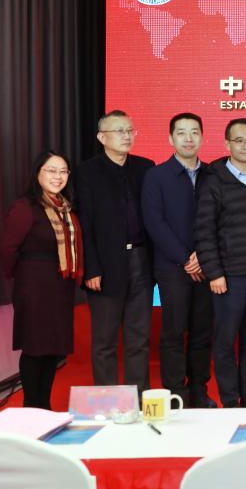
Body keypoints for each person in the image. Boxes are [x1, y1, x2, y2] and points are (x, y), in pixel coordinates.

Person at [195, 118, 246, 408]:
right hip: (229, 277)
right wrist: (214, 272)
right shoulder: (213, 181)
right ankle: (230, 400)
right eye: (239, 140)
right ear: (227, 143)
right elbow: (204, 231)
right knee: (225, 341)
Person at [76, 110, 154, 392]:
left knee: (138, 338)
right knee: (105, 341)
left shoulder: (146, 168)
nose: (126, 136)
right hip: (105, 265)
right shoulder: (87, 172)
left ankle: (139, 400)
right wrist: (91, 268)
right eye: (119, 131)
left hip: (141, 260)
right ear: (101, 138)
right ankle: (107, 401)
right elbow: (84, 224)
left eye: (130, 130)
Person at [141, 113, 216, 408]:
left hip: (207, 266)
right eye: (182, 133)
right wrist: (186, 258)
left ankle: (199, 391)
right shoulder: (156, 176)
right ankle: (175, 393)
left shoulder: (212, 174)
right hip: (172, 267)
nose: (188, 138)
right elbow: (154, 222)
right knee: (173, 331)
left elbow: (220, 218)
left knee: (202, 332)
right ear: (170, 138)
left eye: (194, 132)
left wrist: (203, 256)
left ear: (202, 137)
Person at [0, 152, 83, 409]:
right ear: (38, 173)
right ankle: (31, 406)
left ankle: (44, 406)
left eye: (63, 171)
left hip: (60, 286)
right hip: (34, 287)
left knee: (52, 349)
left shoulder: (65, 207)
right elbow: (7, 250)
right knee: (34, 348)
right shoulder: (25, 207)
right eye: (51, 170)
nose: (58, 177)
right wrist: (24, 277)